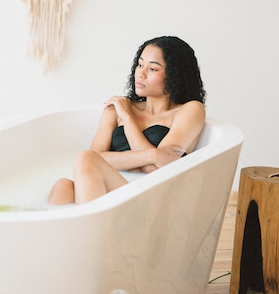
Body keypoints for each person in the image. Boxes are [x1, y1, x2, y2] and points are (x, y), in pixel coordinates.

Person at [48, 35, 206, 205]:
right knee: (63, 186)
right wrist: (152, 154)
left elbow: (158, 170)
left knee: (86, 158)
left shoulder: (189, 110)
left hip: (154, 199)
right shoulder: (116, 109)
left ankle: (91, 228)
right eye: (140, 64)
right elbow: (96, 158)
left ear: (175, 75)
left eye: (153, 69)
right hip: (109, 190)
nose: (141, 74)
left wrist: (127, 119)